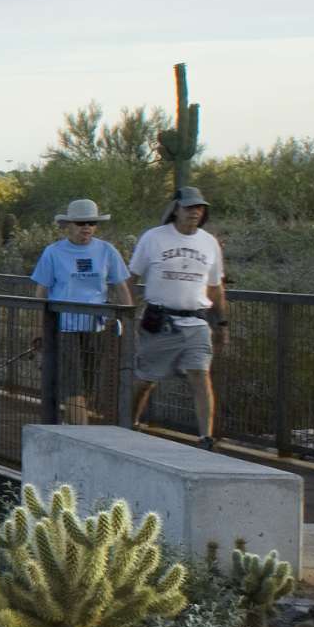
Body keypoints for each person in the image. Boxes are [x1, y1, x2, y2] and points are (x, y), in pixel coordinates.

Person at [128, 187, 227, 445]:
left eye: (199, 208)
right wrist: (126, 311)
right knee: (146, 380)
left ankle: (206, 435)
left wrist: (222, 322)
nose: (194, 212)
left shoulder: (209, 242)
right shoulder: (154, 238)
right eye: (189, 207)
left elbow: (215, 286)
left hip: (197, 320)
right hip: (161, 320)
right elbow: (132, 276)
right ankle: (129, 423)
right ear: (176, 209)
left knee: (200, 374)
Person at [30, 197, 133, 410]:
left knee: (86, 385)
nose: (86, 227)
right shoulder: (54, 252)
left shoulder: (107, 251)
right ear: (69, 225)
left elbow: (121, 286)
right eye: (80, 223)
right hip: (63, 327)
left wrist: (129, 320)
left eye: (91, 223)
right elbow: (41, 291)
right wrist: (40, 328)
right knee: (73, 386)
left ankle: (72, 426)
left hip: (95, 327)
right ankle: (81, 433)